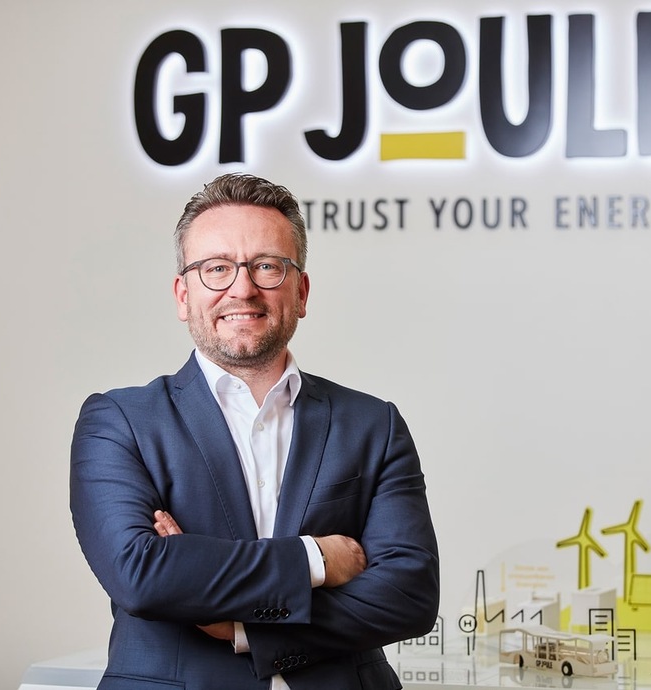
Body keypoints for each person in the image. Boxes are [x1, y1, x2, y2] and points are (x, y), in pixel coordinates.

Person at [70, 173, 440, 690]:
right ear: (183, 295)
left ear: (301, 291)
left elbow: (409, 595)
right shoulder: (119, 421)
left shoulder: (373, 424)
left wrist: (243, 626)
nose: (242, 288)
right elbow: (142, 574)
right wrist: (317, 558)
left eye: (267, 266)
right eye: (217, 268)